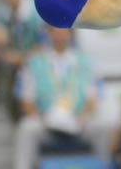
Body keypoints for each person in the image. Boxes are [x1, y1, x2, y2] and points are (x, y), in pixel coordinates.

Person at [14, 26, 97, 169]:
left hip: (77, 119)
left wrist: (82, 117)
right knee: (27, 128)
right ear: (48, 32)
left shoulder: (84, 61)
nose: (60, 34)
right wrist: (43, 118)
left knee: (102, 125)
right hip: (45, 120)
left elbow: (91, 98)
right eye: (55, 30)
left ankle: (103, 164)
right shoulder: (35, 62)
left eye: (64, 30)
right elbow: (26, 100)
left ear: (71, 33)